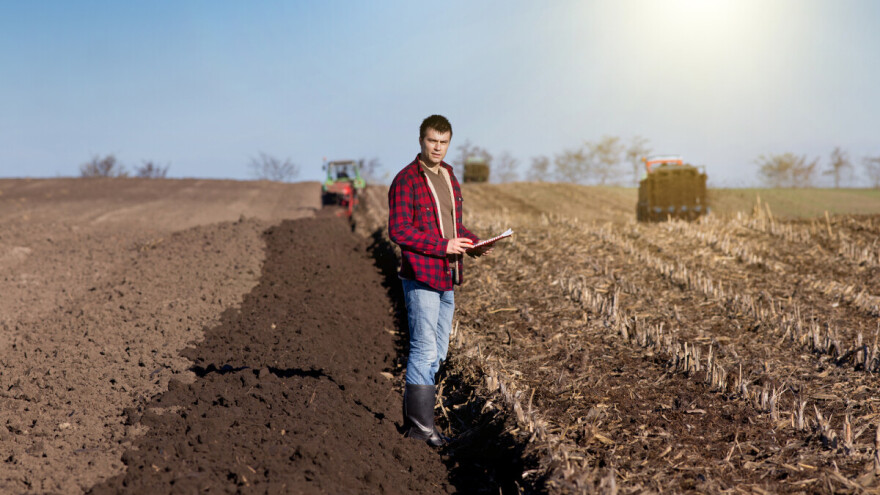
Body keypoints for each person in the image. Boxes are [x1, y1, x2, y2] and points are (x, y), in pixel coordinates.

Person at [388, 114, 491, 447]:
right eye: (432, 141)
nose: (438, 147)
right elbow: (399, 231)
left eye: (444, 142)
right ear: (421, 140)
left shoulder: (448, 176)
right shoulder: (406, 180)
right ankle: (420, 429)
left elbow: (453, 228)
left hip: (447, 276)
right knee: (423, 349)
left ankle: (419, 423)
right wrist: (443, 246)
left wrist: (472, 243)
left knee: (438, 353)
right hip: (421, 276)